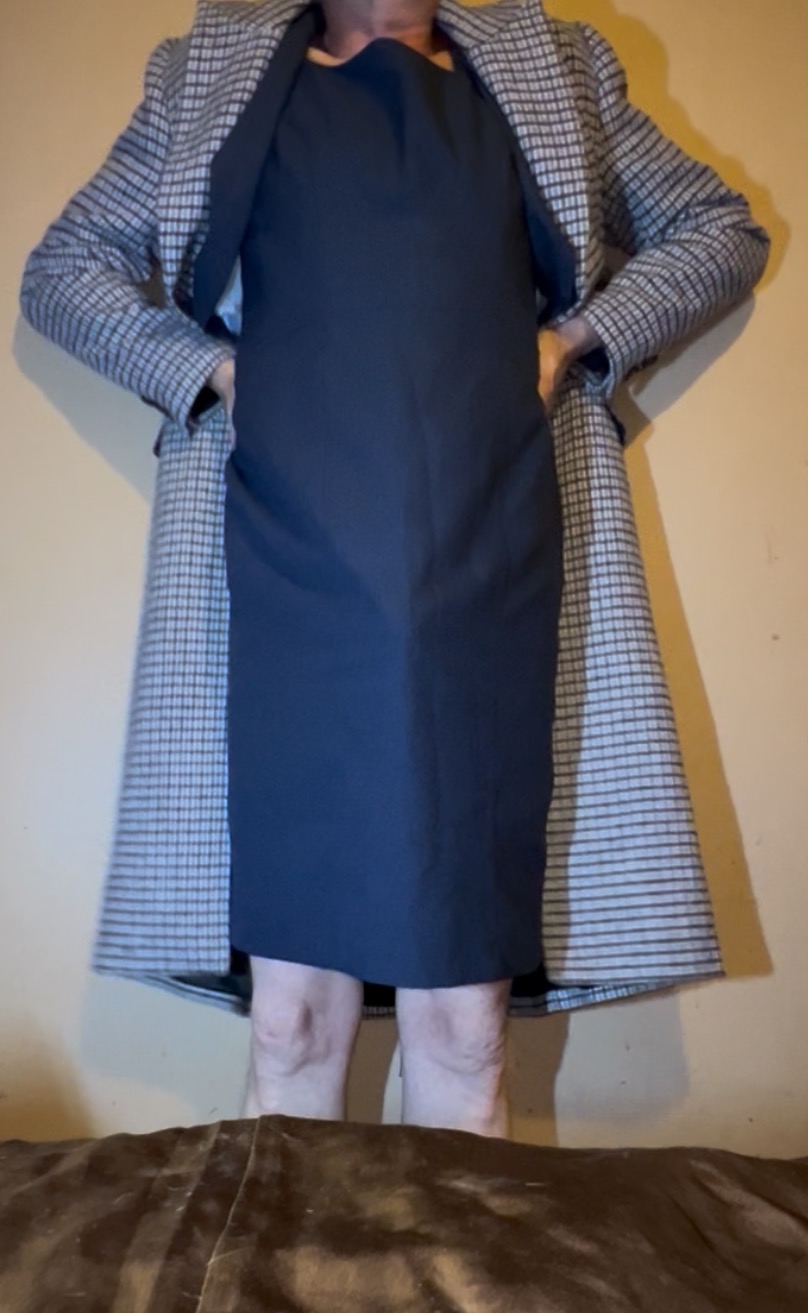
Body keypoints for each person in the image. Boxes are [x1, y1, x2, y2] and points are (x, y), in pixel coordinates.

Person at [20, 0, 769, 1139]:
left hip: (491, 553)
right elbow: (65, 271)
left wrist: (568, 343)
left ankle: (450, 1260)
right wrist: (218, 374)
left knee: (465, 1028)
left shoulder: (553, 64)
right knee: (290, 1025)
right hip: (282, 555)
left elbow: (718, 229)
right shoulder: (206, 70)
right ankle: (288, 1256)